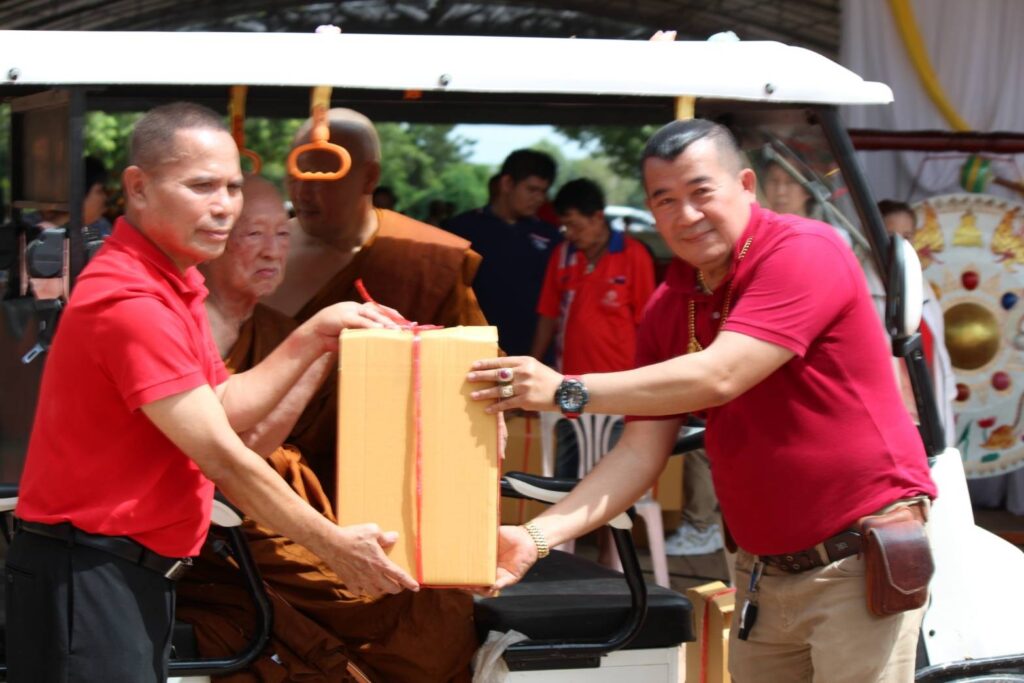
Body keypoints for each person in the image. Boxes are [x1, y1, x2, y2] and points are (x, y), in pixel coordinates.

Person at [469, 119, 937, 682]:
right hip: (762, 573)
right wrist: (535, 537)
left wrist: (566, 390)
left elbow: (721, 375)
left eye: (701, 192)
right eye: (665, 200)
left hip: (854, 562)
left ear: (746, 185)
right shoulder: (671, 304)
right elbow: (638, 452)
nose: (686, 215)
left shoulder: (803, 250)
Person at [6, 103, 420, 683]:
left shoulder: (171, 282)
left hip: (128, 573)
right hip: (91, 574)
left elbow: (221, 406)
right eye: (201, 186)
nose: (224, 205)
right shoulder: (130, 300)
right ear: (138, 187)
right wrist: (330, 545)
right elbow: (221, 453)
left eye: (232, 187)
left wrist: (315, 335)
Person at [178, 175, 475, 682]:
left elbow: (261, 439)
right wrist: (314, 339)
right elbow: (228, 449)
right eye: (253, 235)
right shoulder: (187, 323)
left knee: (430, 596)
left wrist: (322, 349)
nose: (272, 250)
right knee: (375, 599)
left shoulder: (270, 324)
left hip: (270, 495)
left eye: (282, 233)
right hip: (221, 515)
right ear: (211, 241)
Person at [262, 107, 488, 497]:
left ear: (369, 177)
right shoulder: (258, 252)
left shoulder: (424, 259)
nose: (303, 193)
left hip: (380, 475)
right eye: (296, 176)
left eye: (323, 176)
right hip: (255, 472)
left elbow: (474, 370)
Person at [530, 177, 655, 479]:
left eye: (575, 225)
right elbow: (548, 316)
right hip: (569, 387)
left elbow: (649, 324)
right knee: (566, 475)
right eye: (565, 227)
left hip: (620, 388)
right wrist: (533, 364)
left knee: (613, 476)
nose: (570, 234)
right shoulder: (563, 255)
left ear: (598, 217)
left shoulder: (633, 254)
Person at [444, 149, 562, 356]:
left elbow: (553, 305)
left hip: (531, 357)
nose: (539, 198)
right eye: (532, 189)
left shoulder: (551, 237)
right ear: (507, 183)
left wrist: (538, 358)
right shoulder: (462, 229)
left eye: (543, 191)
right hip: (472, 351)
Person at [877, 199, 957, 447]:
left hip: (927, 412)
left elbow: (938, 353)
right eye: (891, 236)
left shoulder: (921, 287)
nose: (900, 244)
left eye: (907, 236)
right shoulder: (863, 288)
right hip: (887, 417)